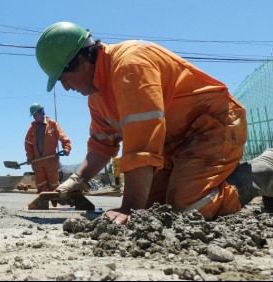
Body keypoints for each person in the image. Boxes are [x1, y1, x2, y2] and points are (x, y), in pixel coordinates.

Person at [35, 22, 273, 224]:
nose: (65, 87)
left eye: (64, 79)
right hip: (173, 145)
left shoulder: (130, 65)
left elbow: (143, 143)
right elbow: (101, 147)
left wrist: (129, 207)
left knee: (188, 207)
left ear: (81, 63)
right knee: (155, 210)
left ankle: (266, 169)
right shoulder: (97, 97)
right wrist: (76, 181)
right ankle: (209, 177)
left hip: (211, 126)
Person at [25, 103, 71, 193]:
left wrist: (67, 147)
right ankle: (43, 204)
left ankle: (54, 203)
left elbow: (62, 136)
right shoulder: (32, 128)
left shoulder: (52, 124)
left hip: (51, 160)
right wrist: (30, 157)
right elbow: (28, 144)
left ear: (42, 112)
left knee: (53, 185)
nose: (34, 117)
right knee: (40, 186)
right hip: (37, 161)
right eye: (33, 115)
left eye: (35, 114)